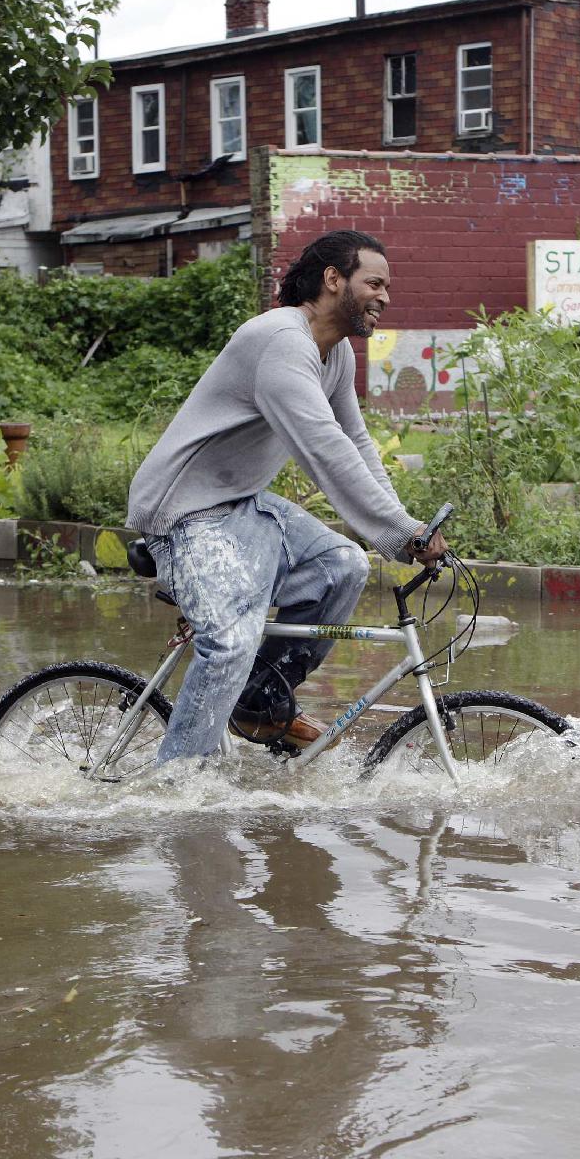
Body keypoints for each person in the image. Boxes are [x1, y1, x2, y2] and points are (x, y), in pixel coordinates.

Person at [126, 230, 447, 764]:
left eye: (388, 286)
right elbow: (322, 449)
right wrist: (399, 532)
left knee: (343, 565)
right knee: (229, 642)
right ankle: (177, 784)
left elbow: (355, 442)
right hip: (184, 512)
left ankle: (256, 701)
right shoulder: (280, 341)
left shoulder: (335, 352)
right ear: (332, 280)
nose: (385, 296)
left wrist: (405, 524)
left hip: (242, 503)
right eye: (374, 283)